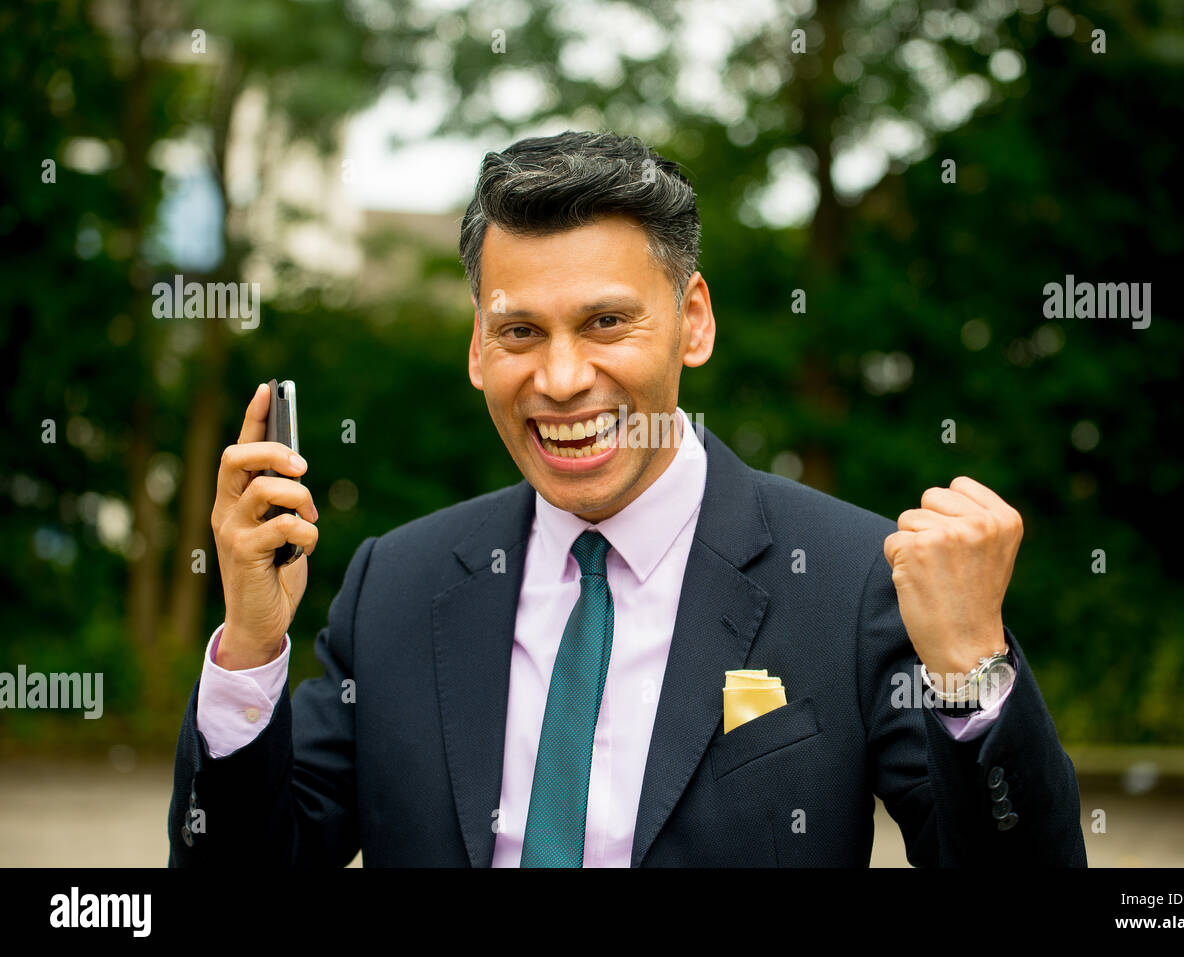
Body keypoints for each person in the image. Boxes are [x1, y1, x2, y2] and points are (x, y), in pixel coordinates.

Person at [168, 130, 1086, 867]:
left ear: (692, 322)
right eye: (520, 331)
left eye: (607, 322)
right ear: (478, 351)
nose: (563, 378)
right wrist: (249, 651)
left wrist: (974, 669)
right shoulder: (395, 584)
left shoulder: (850, 578)